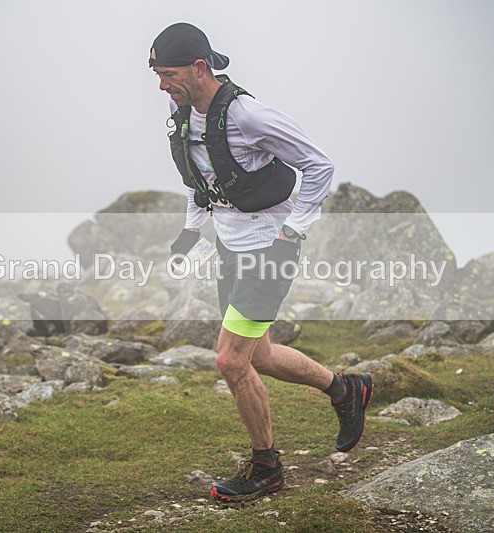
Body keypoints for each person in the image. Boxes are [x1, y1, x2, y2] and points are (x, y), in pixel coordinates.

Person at [149, 22, 373, 503]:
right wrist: (190, 233)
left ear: (199, 67)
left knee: (231, 360)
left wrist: (293, 232)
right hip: (231, 246)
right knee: (261, 356)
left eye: (168, 74)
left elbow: (319, 165)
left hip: (270, 249)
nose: (162, 85)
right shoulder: (183, 112)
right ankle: (346, 390)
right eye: (157, 74)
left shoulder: (248, 116)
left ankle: (267, 468)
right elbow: (201, 177)